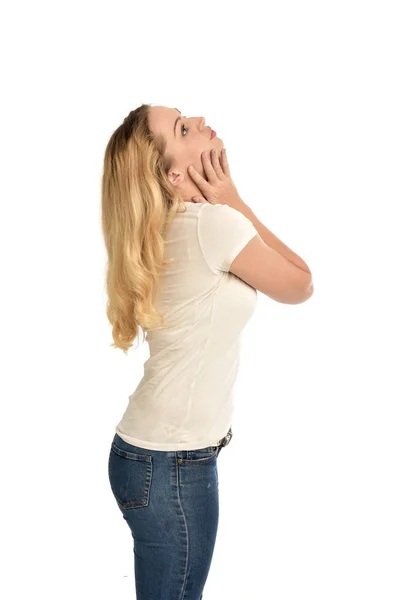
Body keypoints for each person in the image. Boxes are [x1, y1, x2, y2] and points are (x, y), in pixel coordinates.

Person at [102, 104, 314, 599]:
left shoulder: (166, 230)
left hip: (147, 458)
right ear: (174, 174)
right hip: (173, 465)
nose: (199, 119)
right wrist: (235, 199)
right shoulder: (213, 224)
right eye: (182, 128)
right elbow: (301, 284)